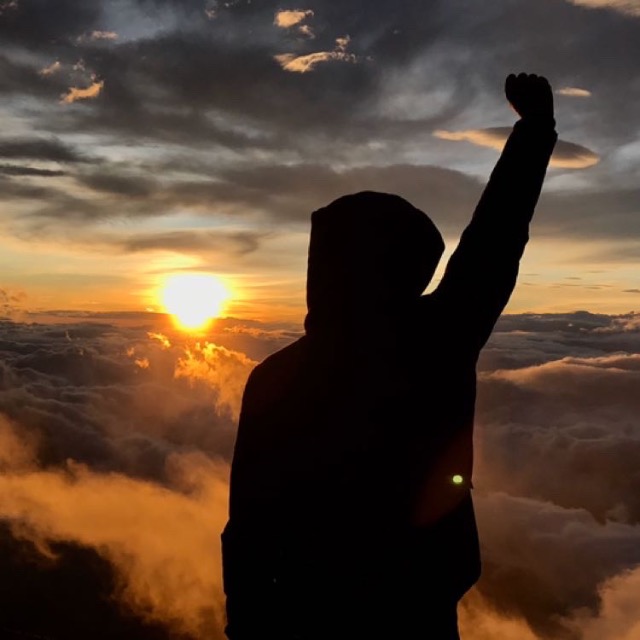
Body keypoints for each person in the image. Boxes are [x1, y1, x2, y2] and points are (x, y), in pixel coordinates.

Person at [221, 73, 557, 639]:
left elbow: (247, 525)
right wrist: (533, 132)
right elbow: (494, 241)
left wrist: (245, 622)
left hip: (300, 612)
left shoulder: (275, 377)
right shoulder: (438, 340)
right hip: (416, 605)